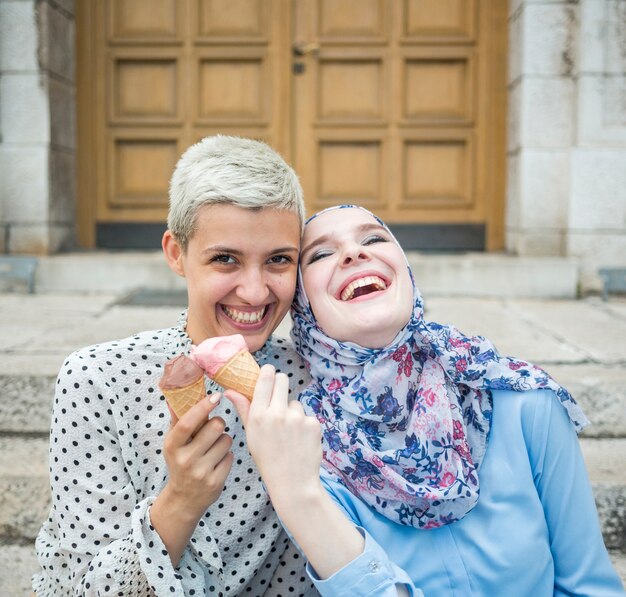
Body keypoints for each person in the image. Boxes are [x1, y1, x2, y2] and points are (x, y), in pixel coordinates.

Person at [226, 205, 625, 596]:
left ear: (405, 271)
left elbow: (589, 587)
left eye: (374, 238)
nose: (354, 252)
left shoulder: (525, 403)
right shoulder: (306, 446)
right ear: (302, 305)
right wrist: (300, 497)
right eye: (322, 254)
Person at [32, 136, 317, 596]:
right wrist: (181, 500)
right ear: (176, 253)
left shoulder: (311, 381)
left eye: (278, 260)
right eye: (225, 259)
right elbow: (77, 589)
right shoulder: (98, 380)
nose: (255, 291)